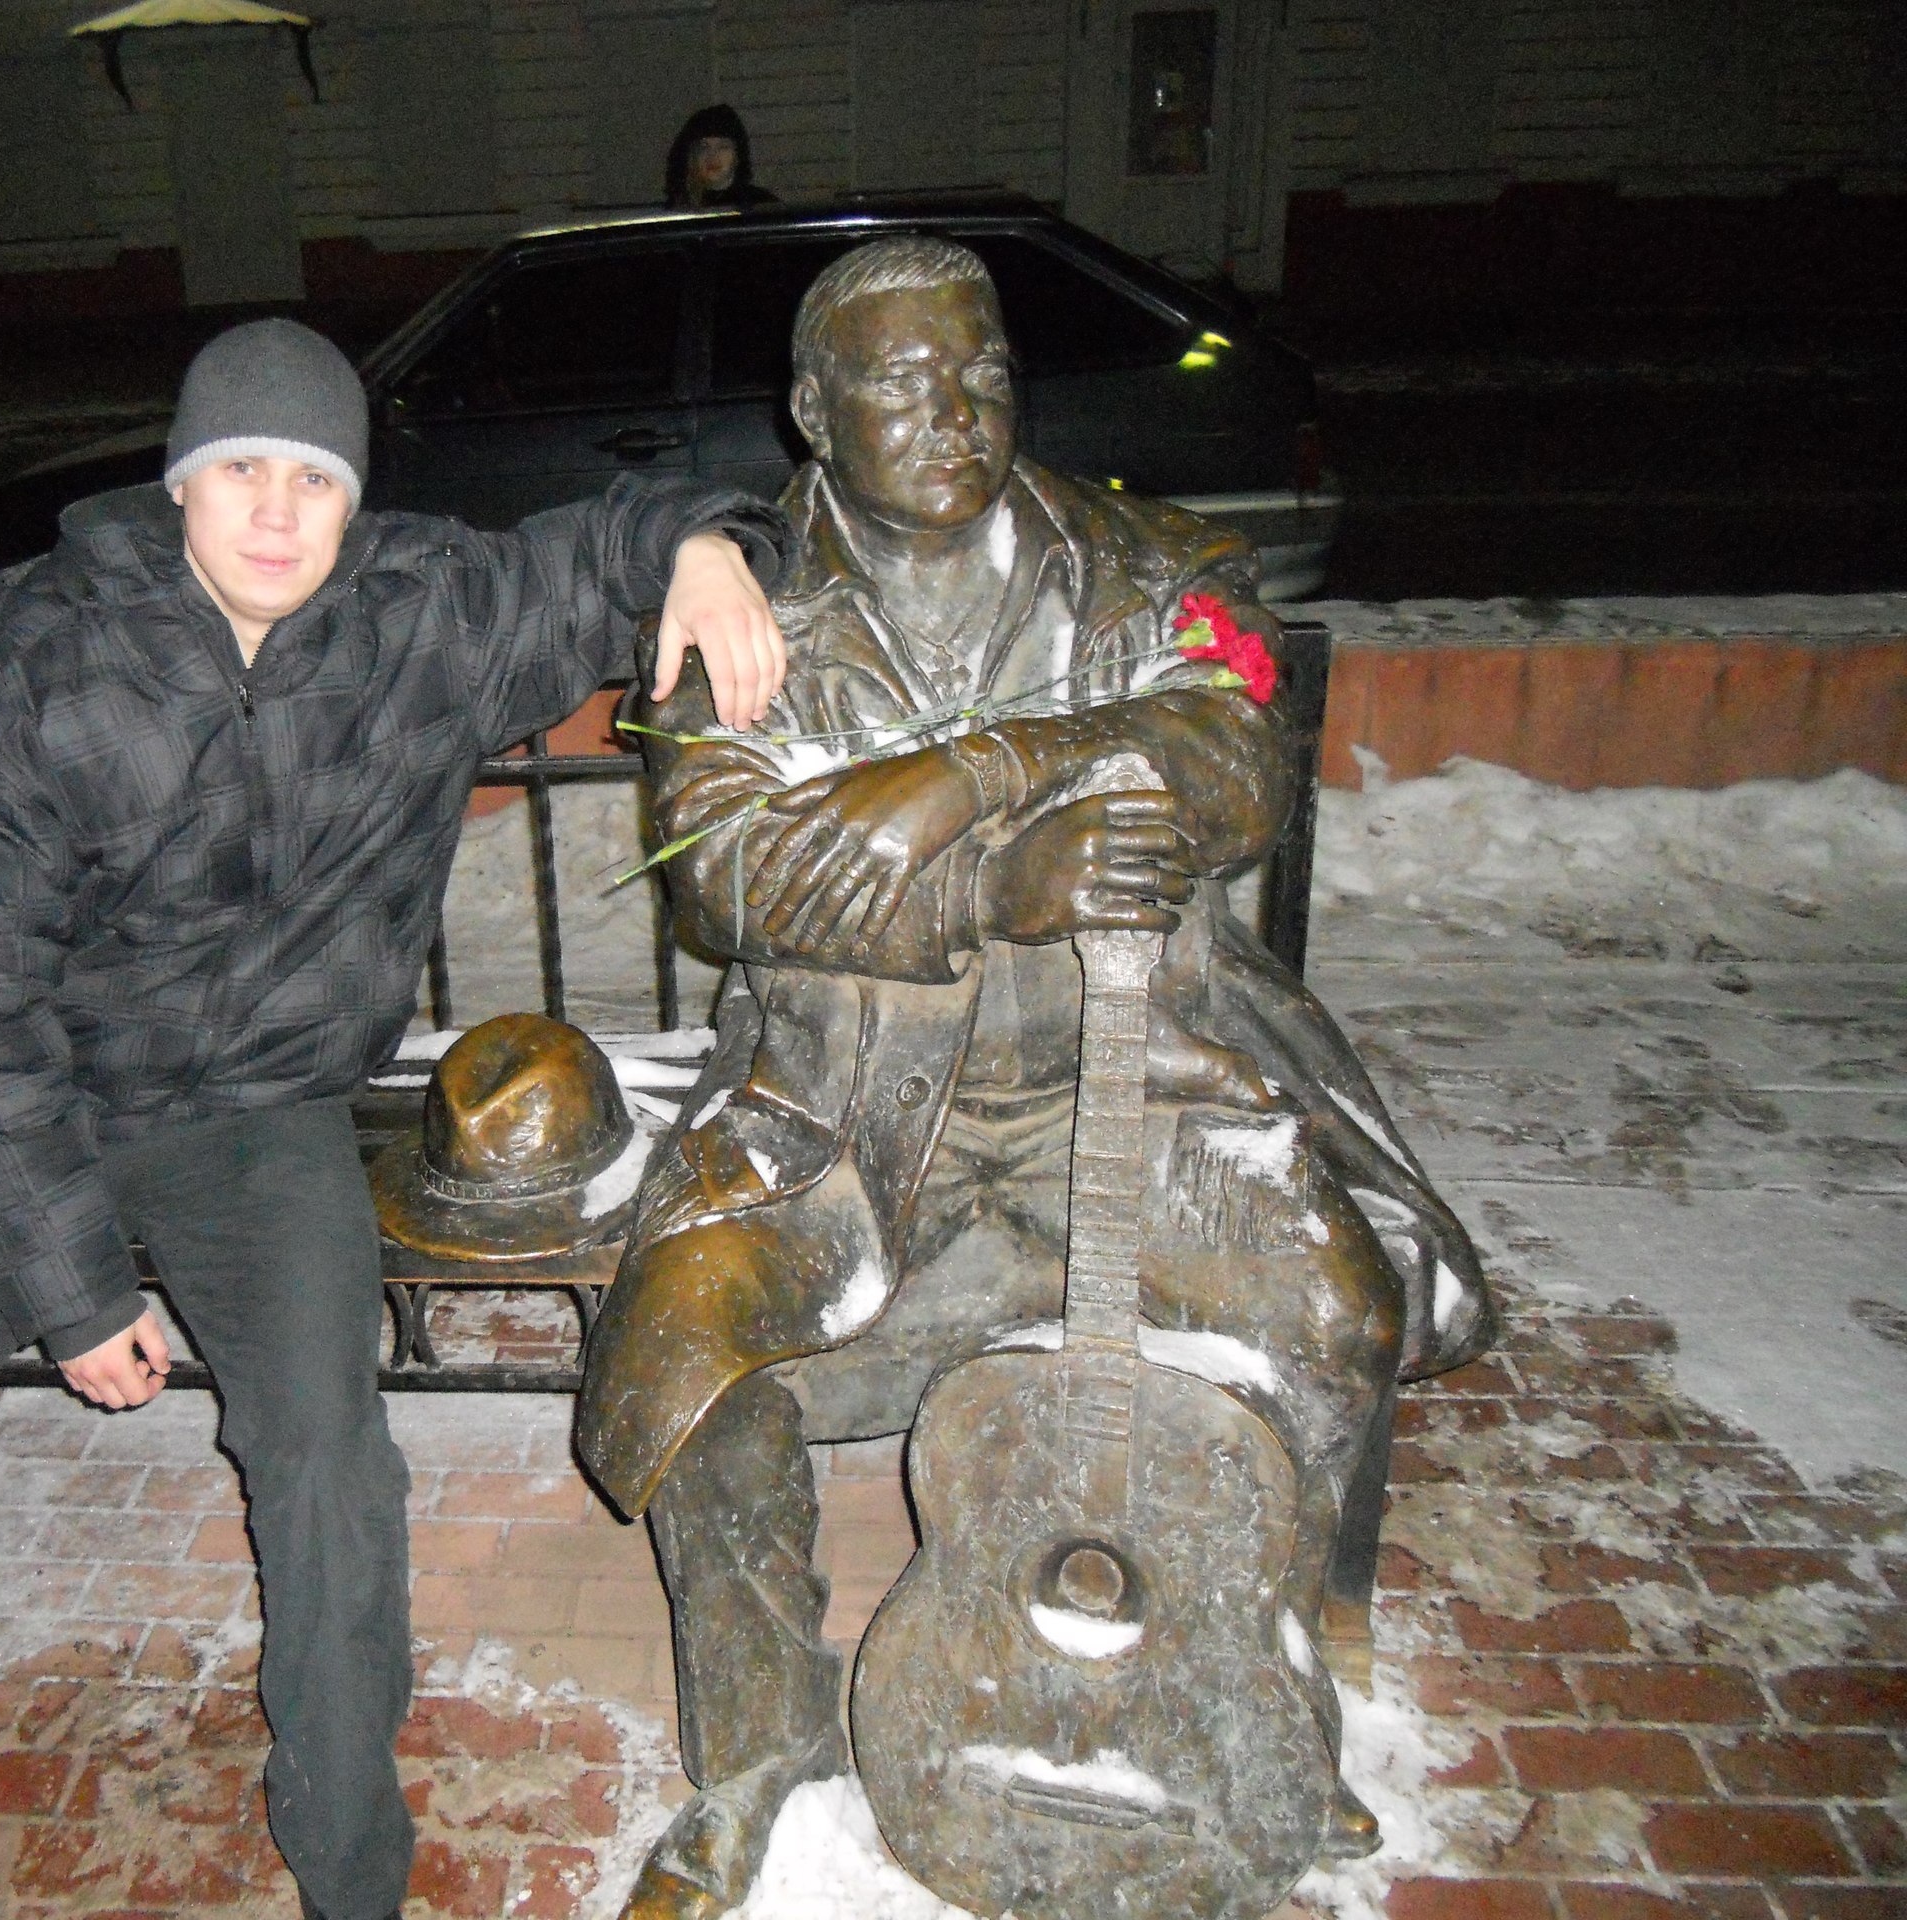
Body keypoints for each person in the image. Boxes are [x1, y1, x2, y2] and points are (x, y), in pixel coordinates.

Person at [0, 317, 790, 1920]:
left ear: (354, 498)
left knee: (327, 1466)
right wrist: (74, 1287)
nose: (278, 513)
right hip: (35, 1115)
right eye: (240, 473)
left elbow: (613, 539)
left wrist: (704, 551)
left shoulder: (418, 621)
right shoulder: (39, 668)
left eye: (314, 479)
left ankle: (351, 1874)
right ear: (179, 485)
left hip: (264, 1115)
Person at [575, 238, 1495, 1920]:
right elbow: (731, 872)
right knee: (695, 1357)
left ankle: (1255, 1689)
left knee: (1335, 1313)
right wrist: (991, 888)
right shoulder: (750, 613)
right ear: (813, 411)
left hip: (1142, 1092)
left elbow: (1233, 749)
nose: (958, 411)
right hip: (845, 1125)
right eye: (904, 381)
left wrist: (977, 766)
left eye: (984, 370)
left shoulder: (1147, 562)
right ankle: (758, 1761)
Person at [664, 103, 775, 210]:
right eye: (704, 147)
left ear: (737, 155)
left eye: (723, 147)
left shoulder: (761, 206)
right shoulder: (678, 208)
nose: (712, 156)